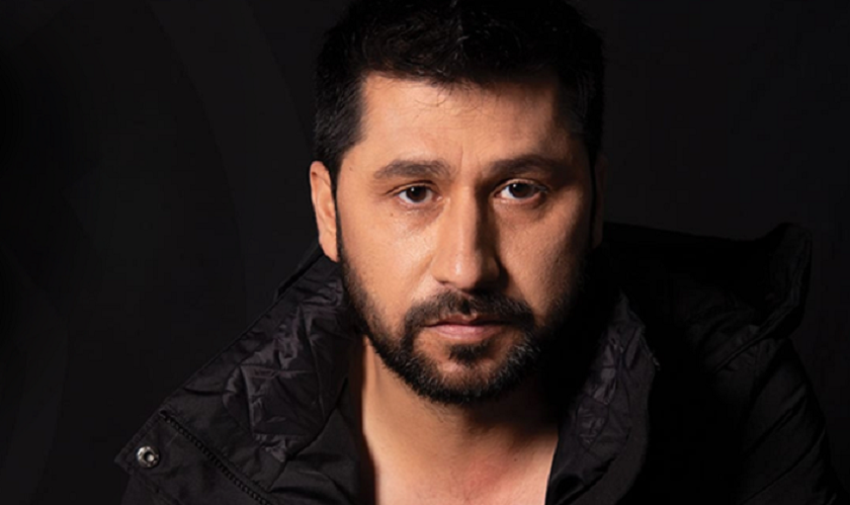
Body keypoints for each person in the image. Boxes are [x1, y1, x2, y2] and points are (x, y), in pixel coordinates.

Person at [116, 0, 848, 503]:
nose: (467, 266)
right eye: (414, 192)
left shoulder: (737, 403)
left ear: (595, 201)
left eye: (520, 189)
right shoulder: (203, 473)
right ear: (328, 211)